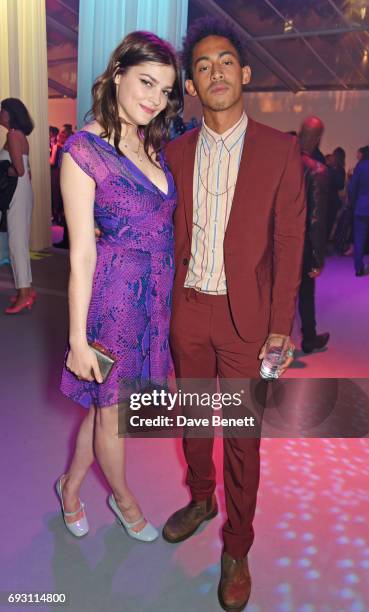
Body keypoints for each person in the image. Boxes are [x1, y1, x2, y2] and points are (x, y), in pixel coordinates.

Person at [162, 17, 306, 611]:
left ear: (243, 74)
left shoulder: (279, 149)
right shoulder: (173, 151)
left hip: (249, 323)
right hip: (189, 311)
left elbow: (290, 239)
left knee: (242, 439)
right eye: (202, 66)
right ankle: (201, 498)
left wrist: (280, 325)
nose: (215, 72)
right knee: (193, 421)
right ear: (191, 86)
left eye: (225, 61)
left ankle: (237, 547)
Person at [58, 31, 182, 541]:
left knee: (108, 407)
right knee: (114, 416)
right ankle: (126, 502)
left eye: (165, 90)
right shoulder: (82, 152)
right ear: (117, 75)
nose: (154, 98)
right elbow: (82, 253)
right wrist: (76, 339)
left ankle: (69, 488)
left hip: (153, 300)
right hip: (111, 303)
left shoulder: (149, 141)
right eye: (146, 82)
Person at [0, 98, 36, 314]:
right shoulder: (18, 135)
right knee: (19, 241)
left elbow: (19, 170)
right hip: (22, 191)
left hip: (16, 191)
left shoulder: (12, 135)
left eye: (1, 110)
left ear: (9, 113)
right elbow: (27, 172)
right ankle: (27, 290)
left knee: (17, 243)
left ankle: (24, 295)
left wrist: (2, 171)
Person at [298, 117, 330, 354]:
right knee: (306, 293)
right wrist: (318, 258)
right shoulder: (317, 170)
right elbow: (316, 219)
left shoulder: (279, 161)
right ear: (318, 137)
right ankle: (309, 338)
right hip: (302, 245)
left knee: (275, 296)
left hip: (275, 242)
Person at [349, 145, 369, 276]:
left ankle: (359, 268)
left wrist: (353, 203)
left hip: (362, 207)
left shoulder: (361, 166)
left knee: (359, 239)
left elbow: (352, 188)